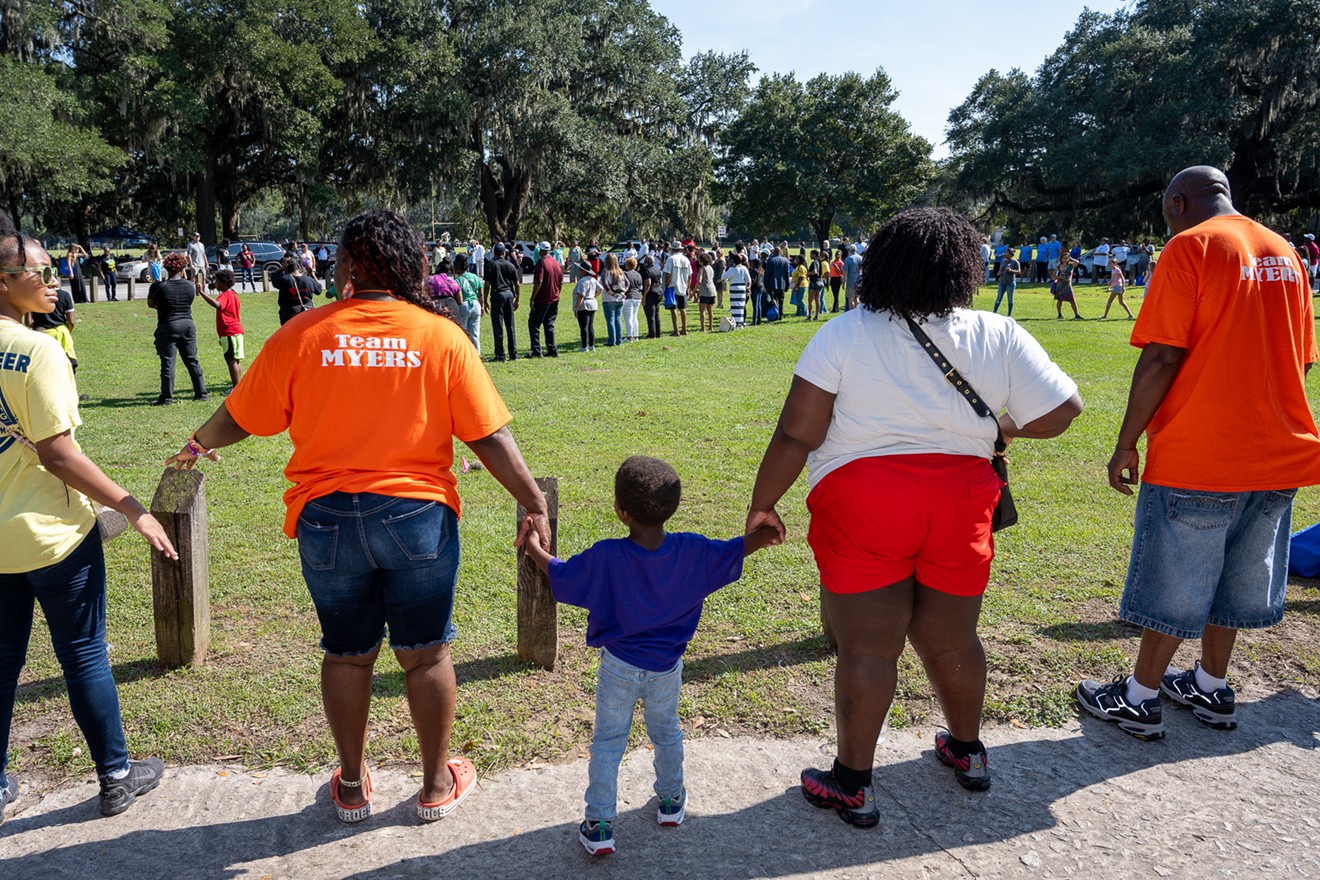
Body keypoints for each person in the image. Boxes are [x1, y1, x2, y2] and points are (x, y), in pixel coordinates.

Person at [165, 208, 550, 824]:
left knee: (346, 655)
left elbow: (243, 415)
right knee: (425, 656)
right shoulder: (439, 335)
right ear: (406, 263)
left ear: (346, 264)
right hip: (417, 515)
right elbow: (489, 437)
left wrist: (196, 445)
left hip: (326, 520)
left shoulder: (303, 333)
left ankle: (350, 784)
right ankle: (432, 787)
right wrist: (532, 501)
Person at [746, 207, 1081, 823]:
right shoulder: (997, 331)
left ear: (882, 264)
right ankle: (968, 750)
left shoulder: (844, 333)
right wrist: (998, 429)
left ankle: (852, 782)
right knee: (954, 640)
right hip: (960, 501)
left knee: (868, 649)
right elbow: (1064, 409)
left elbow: (797, 433)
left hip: (864, 500)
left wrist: (762, 504)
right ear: (965, 266)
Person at [1077, 166, 1320, 741]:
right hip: (1278, 451)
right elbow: (1303, 358)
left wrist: (1125, 441)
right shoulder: (1284, 251)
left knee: (1176, 578)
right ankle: (1211, 686)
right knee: (1235, 577)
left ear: (1178, 203)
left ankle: (1139, 698)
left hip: (1201, 451)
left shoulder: (1190, 247)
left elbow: (1162, 357)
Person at [0, 229, 177, 823]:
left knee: (2, 662)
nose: (54, 282)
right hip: (52, 536)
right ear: (4, 281)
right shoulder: (37, 349)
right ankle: (116, 776)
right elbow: (58, 454)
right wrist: (134, 507)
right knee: (82, 653)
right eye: (40, 273)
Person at [521, 456, 779, 855]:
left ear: (621, 512)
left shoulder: (606, 556)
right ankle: (672, 801)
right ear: (672, 507)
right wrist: (763, 536)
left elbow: (563, 577)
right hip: (667, 670)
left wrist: (536, 548)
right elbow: (733, 551)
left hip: (619, 667)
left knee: (608, 742)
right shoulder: (693, 551)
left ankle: (600, 824)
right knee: (667, 732)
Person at [146, 252, 207, 405]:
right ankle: (201, 393)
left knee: (168, 362)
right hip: (187, 324)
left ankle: (166, 397)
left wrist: (162, 306)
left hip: (168, 325)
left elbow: (150, 304)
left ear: (166, 267)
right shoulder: (190, 286)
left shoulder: (158, 286)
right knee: (192, 360)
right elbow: (189, 302)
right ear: (182, 267)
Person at [194, 268, 244, 389]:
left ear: (223, 283)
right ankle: (239, 387)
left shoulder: (225, 295)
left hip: (229, 331)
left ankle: (236, 389)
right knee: (236, 361)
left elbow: (217, 305)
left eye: (217, 281)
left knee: (231, 361)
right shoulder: (233, 294)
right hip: (236, 331)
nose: (215, 283)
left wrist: (201, 292)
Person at [29, 274, 78, 372]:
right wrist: (67, 331)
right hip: (62, 333)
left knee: (45, 368)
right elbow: (71, 321)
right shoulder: (64, 295)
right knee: (68, 366)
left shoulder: (34, 296)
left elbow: (28, 321)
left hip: (42, 334)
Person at [484, 243, 521, 362]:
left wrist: (484, 300)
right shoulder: (510, 265)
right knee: (510, 325)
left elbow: (487, 284)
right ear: (504, 253)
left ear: (494, 253)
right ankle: (513, 353)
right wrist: (518, 299)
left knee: (498, 325)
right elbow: (517, 284)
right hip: (509, 295)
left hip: (497, 295)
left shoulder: (491, 265)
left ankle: (500, 355)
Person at [528, 242, 562, 357]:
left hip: (543, 299)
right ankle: (552, 350)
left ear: (541, 251)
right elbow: (560, 282)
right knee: (549, 324)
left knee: (534, 323)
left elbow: (539, 281)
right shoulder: (556, 263)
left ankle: (536, 351)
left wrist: (533, 298)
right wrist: (558, 293)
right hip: (554, 298)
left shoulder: (541, 263)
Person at [271, 254, 320, 325]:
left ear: (286, 268)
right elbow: (319, 289)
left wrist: (283, 268)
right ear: (299, 266)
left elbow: (273, 275)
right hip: (307, 313)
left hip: (289, 314)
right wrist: (312, 274)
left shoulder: (284, 280)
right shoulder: (309, 280)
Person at [453, 253, 483, 353]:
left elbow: (456, 296)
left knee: (463, 333)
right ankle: (477, 355)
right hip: (476, 304)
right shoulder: (474, 277)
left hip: (464, 306)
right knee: (475, 334)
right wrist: (482, 306)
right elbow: (481, 294)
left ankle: (464, 355)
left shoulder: (457, 280)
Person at [599, 253, 628, 346]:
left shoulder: (606, 272)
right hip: (620, 298)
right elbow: (628, 283)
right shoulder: (620, 272)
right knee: (618, 319)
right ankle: (618, 340)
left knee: (610, 320)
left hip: (609, 298)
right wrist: (623, 293)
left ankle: (612, 341)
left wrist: (613, 293)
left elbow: (605, 284)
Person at [662, 242, 691, 336]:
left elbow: (667, 274)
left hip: (672, 286)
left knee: (673, 308)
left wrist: (666, 286)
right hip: (683, 286)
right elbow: (690, 275)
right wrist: (688, 287)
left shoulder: (670, 259)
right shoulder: (686, 259)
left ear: (672, 249)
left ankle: (676, 330)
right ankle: (684, 329)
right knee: (682, 308)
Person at [573, 260, 600, 351]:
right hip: (592, 303)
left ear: (584, 271)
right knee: (590, 326)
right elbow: (600, 289)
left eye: (580, 269)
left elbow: (581, 295)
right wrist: (593, 296)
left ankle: (584, 346)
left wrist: (576, 308)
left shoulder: (582, 281)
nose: (578, 270)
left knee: (583, 326)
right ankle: (592, 345)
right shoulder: (593, 279)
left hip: (584, 305)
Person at [722, 253, 750, 328]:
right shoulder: (744, 268)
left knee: (734, 306)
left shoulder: (732, 269)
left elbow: (724, 276)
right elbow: (748, 280)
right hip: (742, 288)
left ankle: (735, 321)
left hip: (734, 288)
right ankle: (740, 322)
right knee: (741, 306)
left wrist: (724, 269)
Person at [1052, 255, 1083, 319]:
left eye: (1066, 258)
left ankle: (1076, 315)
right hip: (1060, 284)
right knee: (1060, 300)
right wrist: (1059, 277)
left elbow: (1077, 262)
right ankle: (1059, 314)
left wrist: (1071, 258)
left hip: (1067, 284)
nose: (1065, 260)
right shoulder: (1059, 266)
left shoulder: (1071, 266)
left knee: (1072, 300)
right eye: (1063, 258)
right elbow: (1053, 276)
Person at [640, 255, 663, 339]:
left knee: (650, 315)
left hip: (651, 293)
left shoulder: (646, 271)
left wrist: (644, 296)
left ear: (646, 262)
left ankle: (652, 334)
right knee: (657, 314)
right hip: (659, 292)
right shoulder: (657, 270)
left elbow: (648, 283)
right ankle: (658, 332)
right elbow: (660, 281)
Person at [766, 246, 791, 319]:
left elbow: (768, 273)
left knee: (774, 300)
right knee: (781, 300)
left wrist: (766, 282)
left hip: (772, 283)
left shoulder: (770, 260)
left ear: (773, 252)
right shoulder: (785, 261)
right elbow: (787, 274)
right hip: (782, 283)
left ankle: (776, 314)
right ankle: (781, 314)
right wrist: (787, 284)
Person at [622, 257, 643, 342]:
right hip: (637, 296)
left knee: (628, 318)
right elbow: (640, 286)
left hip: (629, 296)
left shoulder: (625, 274)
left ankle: (629, 336)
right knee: (634, 317)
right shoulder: (638, 274)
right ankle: (636, 335)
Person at [694, 252, 716, 333]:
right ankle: (711, 327)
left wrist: (693, 292)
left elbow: (699, 280)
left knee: (702, 310)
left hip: (705, 290)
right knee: (710, 310)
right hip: (712, 290)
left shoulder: (702, 268)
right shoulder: (710, 268)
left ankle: (703, 328)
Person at [992, 248, 1019, 316]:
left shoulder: (1015, 262)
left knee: (1010, 299)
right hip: (1002, 282)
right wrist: (998, 273)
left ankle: (1009, 314)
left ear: (1010, 254)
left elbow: (1019, 271)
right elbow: (1000, 271)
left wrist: (1011, 271)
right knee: (998, 298)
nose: (1005, 254)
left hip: (1010, 283)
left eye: (1006, 253)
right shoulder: (1003, 261)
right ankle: (994, 312)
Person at [843, 244, 863, 311]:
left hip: (851, 282)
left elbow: (845, 272)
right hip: (859, 282)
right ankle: (857, 312)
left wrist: (843, 283)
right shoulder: (860, 258)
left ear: (849, 250)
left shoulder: (848, 259)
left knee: (850, 299)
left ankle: (852, 313)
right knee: (857, 299)